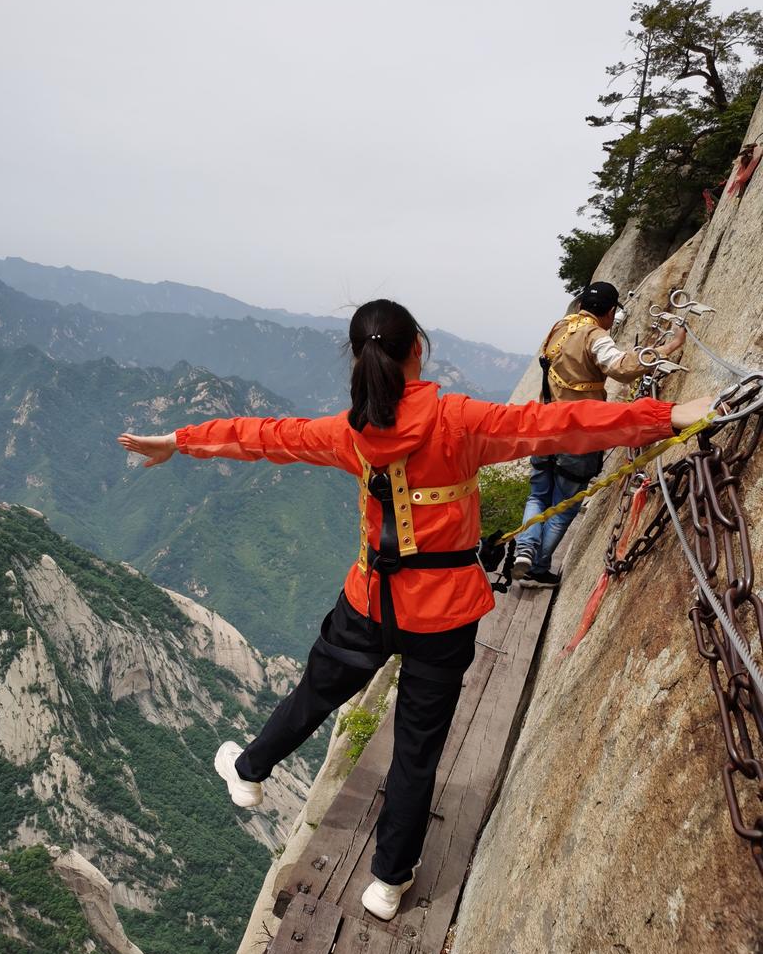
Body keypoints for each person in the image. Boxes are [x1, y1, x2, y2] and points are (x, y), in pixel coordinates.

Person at [118, 298, 709, 920]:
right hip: (446, 615)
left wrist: (179, 441)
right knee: (417, 748)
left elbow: (264, 437)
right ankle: (388, 882)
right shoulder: (459, 420)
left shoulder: (350, 433)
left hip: (369, 603)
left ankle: (249, 769)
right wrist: (669, 415)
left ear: (360, 358)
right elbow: (563, 425)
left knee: (314, 694)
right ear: (417, 350)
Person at [512, 280, 687, 588]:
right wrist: (667, 347)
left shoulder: (560, 327)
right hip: (578, 433)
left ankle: (525, 546)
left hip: (543, 427)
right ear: (609, 312)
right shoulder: (595, 336)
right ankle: (538, 566)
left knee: (538, 494)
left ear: (581, 306)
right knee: (565, 502)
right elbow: (618, 366)